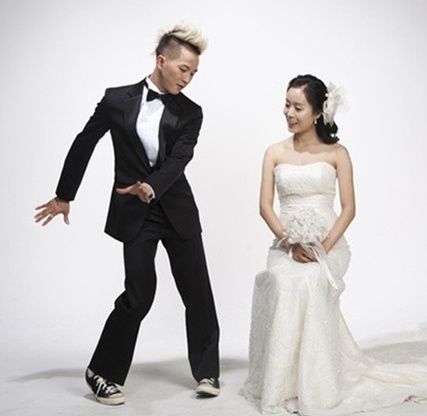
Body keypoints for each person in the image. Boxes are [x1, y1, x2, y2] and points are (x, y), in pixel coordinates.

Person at [34, 24, 220, 405]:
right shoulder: (116, 100)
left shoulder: (192, 112)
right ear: (161, 60)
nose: (188, 78)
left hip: (177, 209)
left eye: (194, 73)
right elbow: (85, 142)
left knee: (197, 290)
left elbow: (180, 159)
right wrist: (65, 195)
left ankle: (207, 371)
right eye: (183, 69)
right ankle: (101, 372)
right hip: (136, 213)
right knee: (139, 293)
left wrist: (151, 186)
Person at [241, 74, 427, 415]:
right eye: (286, 104)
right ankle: (283, 384)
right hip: (285, 246)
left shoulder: (338, 153)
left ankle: (316, 383)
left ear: (317, 112)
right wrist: (289, 242)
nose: (289, 113)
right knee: (284, 282)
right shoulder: (274, 152)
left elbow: (349, 208)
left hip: (330, 246)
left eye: (298, 107)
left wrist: (323, 247)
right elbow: (265, 206)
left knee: (312, 281)